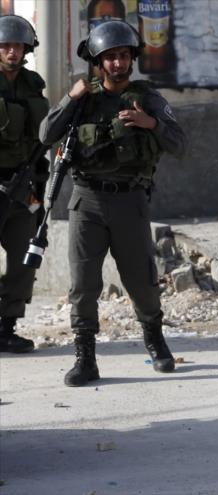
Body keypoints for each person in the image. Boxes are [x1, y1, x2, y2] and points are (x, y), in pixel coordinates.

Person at [38, 20, 186, 386]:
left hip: (130, 201)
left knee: (141, 281)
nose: (118, 64)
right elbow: (45, 135)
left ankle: (155, 340)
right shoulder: (83, 98)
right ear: (98, 62)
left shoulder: (147, 98)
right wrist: (70, 98)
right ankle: (85, 357)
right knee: (83, 285)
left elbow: (180, 144)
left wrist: (149, 123)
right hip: (86, 200)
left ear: (132, 59)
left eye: (124, 56)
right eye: (110, 58)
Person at [0, 15, 49, 353]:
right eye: (5, 46)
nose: (12, 52)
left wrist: (41, 189)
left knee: (23, 259)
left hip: (21, 183)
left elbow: (40, 140)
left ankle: (6, 326)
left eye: (18, 46)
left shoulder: (33, 83)